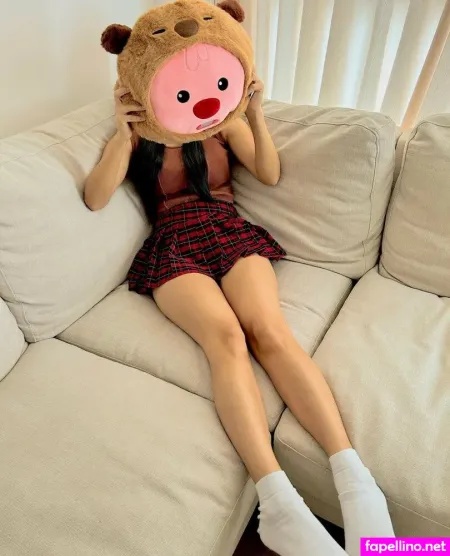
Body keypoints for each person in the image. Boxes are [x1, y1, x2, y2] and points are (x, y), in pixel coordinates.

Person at [84, 77, 394, 556]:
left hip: (227, 229)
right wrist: (123, 136)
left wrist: (253, 113)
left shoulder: (219, 121)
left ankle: (356, 481)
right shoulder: (139, 133)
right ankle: (277, 501)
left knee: (269, 332)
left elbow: (268, 172)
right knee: (226, 340)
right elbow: (95, 197)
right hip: (172, 243)